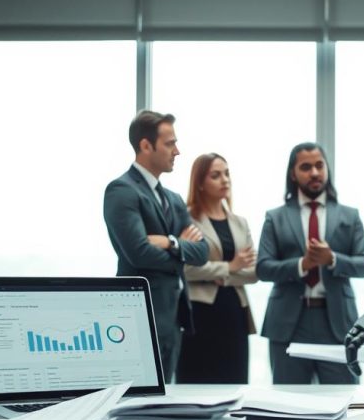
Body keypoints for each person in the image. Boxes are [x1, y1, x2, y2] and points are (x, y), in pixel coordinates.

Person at [103, 110, 208, 384]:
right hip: (138, 319)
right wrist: (182, 250)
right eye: (170, 143)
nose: (177, 151)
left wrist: (170, 242)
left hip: (173, 321)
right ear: (146, 145)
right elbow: (139, 253)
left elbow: (203, 252)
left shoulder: (173, 199)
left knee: (164, 399)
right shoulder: (121, 191)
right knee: (135, 398)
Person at [256, 142, 364, 384]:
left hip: (337, 322)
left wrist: (332, 259)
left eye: (320, 165)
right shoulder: (275, 217)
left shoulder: (350, 215)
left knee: (344, 397)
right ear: (293, 174)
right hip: (288, 324)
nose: (315, 172)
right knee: (287, 400)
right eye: (306, 167)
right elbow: (263, 268)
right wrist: (302, 264)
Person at [177, 153, 258, 383]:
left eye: (227, 173)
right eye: (215, 175)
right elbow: (185, 269)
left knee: (235, 382)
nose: (225, 180)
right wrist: (230, 266)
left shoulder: (240, 222)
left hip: (235, 312)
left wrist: (221, 275)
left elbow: (253, 272)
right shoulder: (187, 220)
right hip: (200, 313)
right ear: (200, 183)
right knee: (196, 384)